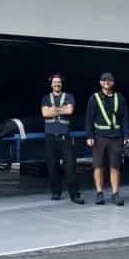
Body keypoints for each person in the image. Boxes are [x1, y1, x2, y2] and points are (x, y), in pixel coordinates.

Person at [86, 72, 129, 205]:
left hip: (116, 137)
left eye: (109, 80)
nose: (106, 82)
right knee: (98, 166)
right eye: (104, 80)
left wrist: (126, 135)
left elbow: (124, 117)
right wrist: (89, 136)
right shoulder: (94, 98)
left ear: (113, 82)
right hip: (99, 137)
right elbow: (89, 118)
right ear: (100, 82)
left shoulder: (119, 97)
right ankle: (99, 194)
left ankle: (115, 194)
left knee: (115, 167)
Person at [41, 73, 84, 204]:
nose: (57, 84)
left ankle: (75, 195)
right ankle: (56, 192)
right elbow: (45, 113)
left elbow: (70, 111)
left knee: (70, 167)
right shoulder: (46, 98)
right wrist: (62, 109)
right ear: (51, 84)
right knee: (52, 166)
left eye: (59, 82)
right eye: (55, 82)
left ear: (62, 83)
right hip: (50, 138)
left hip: (65, 137)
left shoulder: (68, 96)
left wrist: (54, 110)